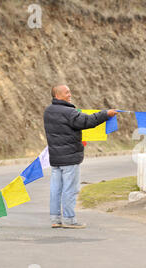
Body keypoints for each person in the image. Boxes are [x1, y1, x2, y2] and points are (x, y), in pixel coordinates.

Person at [43, 84, 118, 229]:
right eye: (67, 93)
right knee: (70, 189)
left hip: (56, 159)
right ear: (58, 95)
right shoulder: (69, 113)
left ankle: (55, 219)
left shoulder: (48, 111)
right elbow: (88, 121)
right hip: (70, 159)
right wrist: (105, 114)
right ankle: (69, 219)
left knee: (55, 190)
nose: (70, 94)